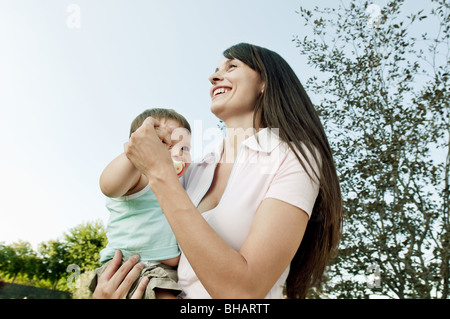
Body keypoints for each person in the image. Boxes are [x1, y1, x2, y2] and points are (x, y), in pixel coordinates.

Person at [93, 43, 343, 299]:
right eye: (215, 70)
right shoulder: (193, 168)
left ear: (264, 82)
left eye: (232, 66)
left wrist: (159, 172)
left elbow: (242, 294)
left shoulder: (293, 158)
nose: (213, 76)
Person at [89, 108, 192, 299]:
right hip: (129, 268)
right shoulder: (138, 178)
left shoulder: (180, 186)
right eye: (164, 143)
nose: (177, 152)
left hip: (163, 272)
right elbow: (108, 186)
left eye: (184, 148)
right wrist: (135, 153)